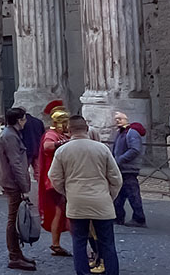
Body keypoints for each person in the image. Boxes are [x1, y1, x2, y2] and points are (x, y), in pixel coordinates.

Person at [48, 115, 123, 275]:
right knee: (108, 243)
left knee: (79, 242)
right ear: (87, 129)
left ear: (69, 130)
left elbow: (54, 177)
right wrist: (110, 196)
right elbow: (116, 178)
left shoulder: (62, 150)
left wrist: (67, 192)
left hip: (76, 201)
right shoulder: (102, 148)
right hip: (101, 201)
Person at [0, 107, 36, 271]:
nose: (25, 121)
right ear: (19, 120)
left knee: (16, 218)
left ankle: (17, 253)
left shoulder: (10, 134)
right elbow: (16, 163)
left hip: (12, 181)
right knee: (13, 220)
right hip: (13, 183)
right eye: (24, 118)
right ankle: (14, 255)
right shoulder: (10, 136)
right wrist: (24, 187)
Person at [40, 103, 72, 258]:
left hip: (63, 178)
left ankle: (57, 243)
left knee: (63, 213)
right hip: (55, 180)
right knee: (63, 212)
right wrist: (65, 143)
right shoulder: (51, 134)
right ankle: (57, 243)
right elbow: (48, 146)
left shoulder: (63, 134)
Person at [110, 112, 146, 228]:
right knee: (119, 194)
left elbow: (135, 149)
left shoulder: (131, 133)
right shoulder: (122, 133)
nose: (118, 121)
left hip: (128, 169)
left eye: (120, 119)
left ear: (127, 119)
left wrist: (120, 159)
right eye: (116, 119)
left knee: (132, 194)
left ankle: (139, 218)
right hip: (122, 168)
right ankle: (118, 217)